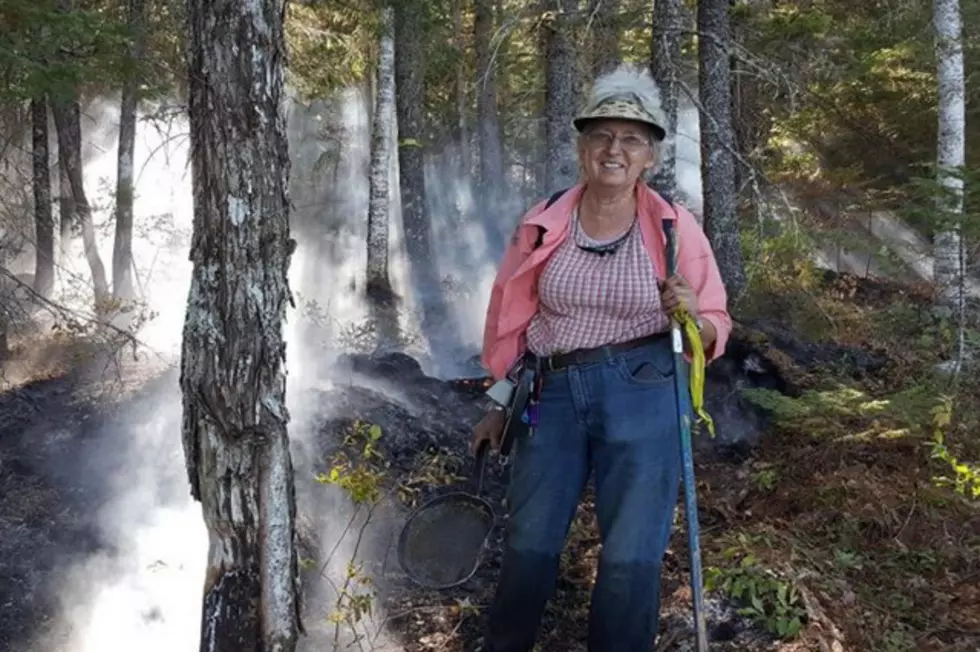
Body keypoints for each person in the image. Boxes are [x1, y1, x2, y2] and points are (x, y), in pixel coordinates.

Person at [471, 64, 733, 652]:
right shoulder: (543, 223)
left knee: (631, 555)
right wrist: (497, 402)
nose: (614, 149)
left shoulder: (674, 229)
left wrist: (692, 313)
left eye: (631, 139)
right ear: (582, 147)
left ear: (651, 158)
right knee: (529, 543)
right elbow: (508, 319)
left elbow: (717, 322)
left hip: (644, 388)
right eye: (601, 136)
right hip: (551, 392)